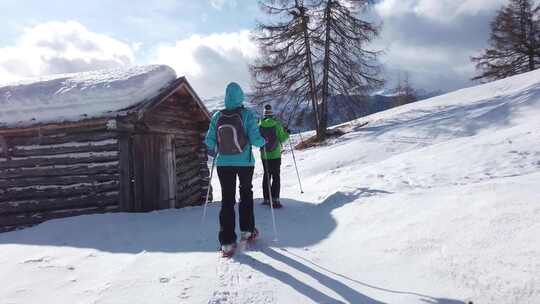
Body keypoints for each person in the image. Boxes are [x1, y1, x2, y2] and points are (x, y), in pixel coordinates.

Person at [204, 82, 265, 257]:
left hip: (223, 164)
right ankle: (247, 230)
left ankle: (227, 242)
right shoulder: (246, 114)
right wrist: (264, 143)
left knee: (227, 200)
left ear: (226, 97)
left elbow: (209, 141)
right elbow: (255, 138)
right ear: (240, 97)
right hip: (244, 163)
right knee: (246, 193)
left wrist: (216, 148)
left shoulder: (217, 116)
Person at [259, 104, 290, 208]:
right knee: (276, 176)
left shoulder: (260, 125)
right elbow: (282, 139)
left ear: (264, 114)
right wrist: (287, 133)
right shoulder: (277, 124)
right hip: (275, 154)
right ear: (272, 113)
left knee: (266, 175)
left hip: (264, 155)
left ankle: (266, 198)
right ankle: (275, 198)